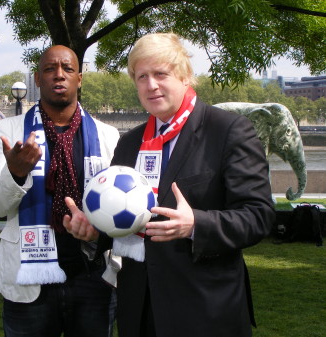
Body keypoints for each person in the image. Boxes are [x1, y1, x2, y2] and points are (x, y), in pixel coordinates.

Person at [65, 33, 276, 337]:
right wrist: (93, 229)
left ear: (185, 75)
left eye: (160, 74)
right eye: (142, 77)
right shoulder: (129, 143)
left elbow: (259, 216)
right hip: (138, 310)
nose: (151, 85)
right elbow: (121, 219)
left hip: (205, 310)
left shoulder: (229, 131)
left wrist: (195, 225)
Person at [0, 45, 120, 337]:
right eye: (49, 69)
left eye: (67, 69)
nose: (59, 75)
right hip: (28, 280)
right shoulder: (9, 131)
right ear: (37, 78)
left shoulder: (108, 135)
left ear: (79, 78)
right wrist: (16, 173)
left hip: (92, 277)